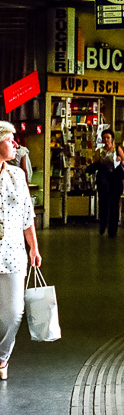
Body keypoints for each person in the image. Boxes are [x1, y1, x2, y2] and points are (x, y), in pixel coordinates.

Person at [0, 120, 41, 381]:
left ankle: (2, 357)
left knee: (14, 312)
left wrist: (34, 247)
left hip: (14, 252)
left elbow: (27, 215)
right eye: (9, 140)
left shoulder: (17, 175)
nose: (16, 144)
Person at [93, 129, 124, 237]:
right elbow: (95, 163)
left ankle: (113, 229)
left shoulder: (118, 149)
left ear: (112, 139)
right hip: (103, 180)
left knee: (114, 204)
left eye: (108, 138)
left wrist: (120, 160)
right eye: (104, 138)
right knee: (103, 204)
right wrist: (99, 162)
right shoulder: (99, 151)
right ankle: (103, 225)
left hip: (115, 179)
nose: (106, 140)